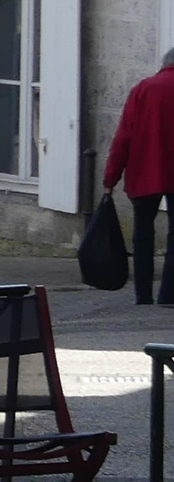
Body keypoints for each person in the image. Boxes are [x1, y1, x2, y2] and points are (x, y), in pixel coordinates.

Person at [104, 48, 174, 303]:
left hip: (144, 173)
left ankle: (143, 296)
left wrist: (110, 179)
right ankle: (169, 295)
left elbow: (123, 138)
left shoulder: (143, 89)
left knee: (143, 236)